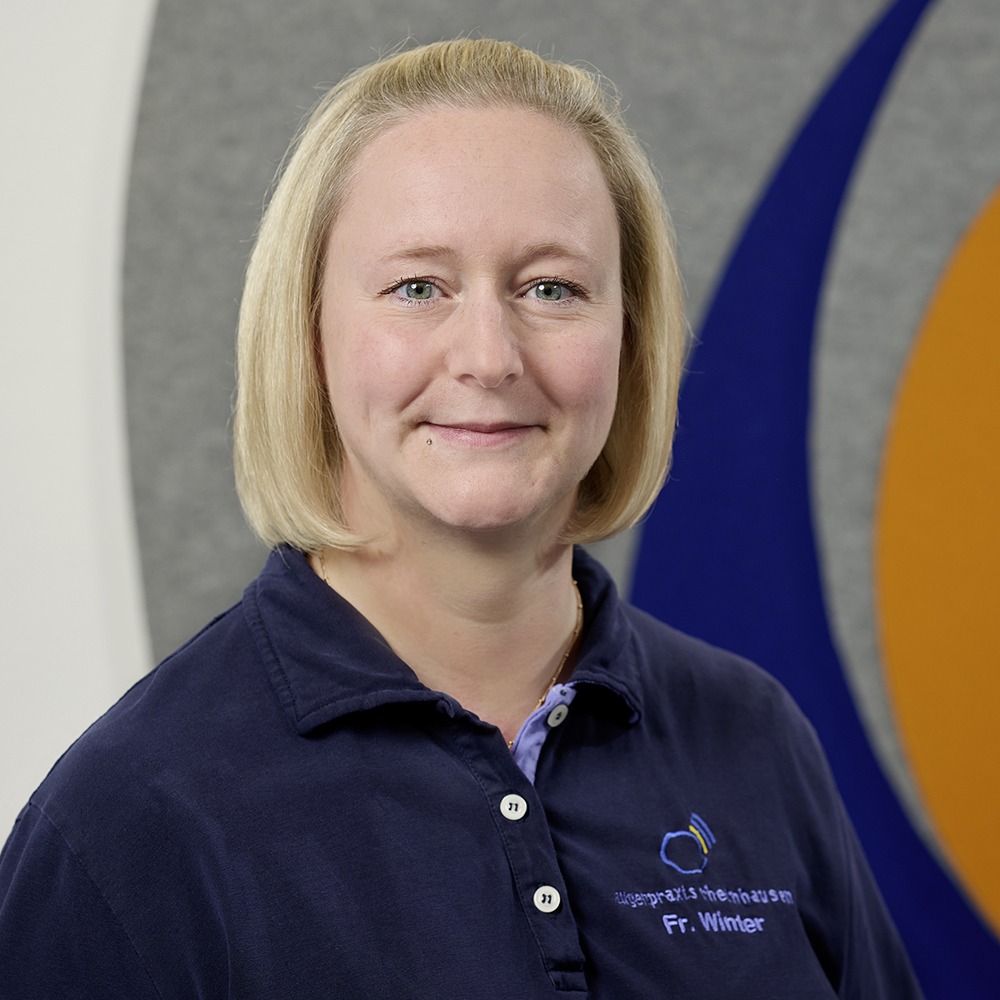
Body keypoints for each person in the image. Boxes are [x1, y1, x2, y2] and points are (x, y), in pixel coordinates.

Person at [0, 38, 922, 999]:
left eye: (552, 288)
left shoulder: (752, 740)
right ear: (309, 333)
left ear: (630, 337)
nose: (489, 356)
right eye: (417, 287)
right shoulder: (133, 817)